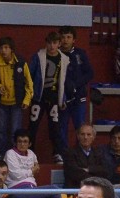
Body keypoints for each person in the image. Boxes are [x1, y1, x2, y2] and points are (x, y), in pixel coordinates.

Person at [4, 128, 66, 198]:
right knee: (54, 188)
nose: (22, 144)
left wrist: (30, 171)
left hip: (32, 190)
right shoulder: (10, 153)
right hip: (16, 191)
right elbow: (16, 175)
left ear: (30, 144)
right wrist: (31, 171)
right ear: (15, 142)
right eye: (19, 141)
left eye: (25, 142)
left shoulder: (32, 154)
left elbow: (36, 169)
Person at [29, 31, 69, 165]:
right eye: (49, 43)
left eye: (55, 43)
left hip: (54, 99)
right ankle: (29, 153)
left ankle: (57, 153)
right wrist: (29, 94)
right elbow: (29, 75)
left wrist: (63, 98)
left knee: (55, 127)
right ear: (46, 43)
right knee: (33, 126)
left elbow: (64, 80)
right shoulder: (38, 57)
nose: (52, 46)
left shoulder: (64, 59)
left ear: (59, 44)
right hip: (38, 98)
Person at [0, 36, 33, 156]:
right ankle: (1, 153)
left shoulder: (21, 63)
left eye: (6, 48)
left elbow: (29, 83)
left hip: (17, 103)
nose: (3, 51)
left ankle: (15, 154)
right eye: (1, 48)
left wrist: (27, 100)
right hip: (2, 102)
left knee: (15, 130)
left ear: (11, 49)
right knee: (1, 129)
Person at [58, 26, 94, 140]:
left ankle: (81, 150)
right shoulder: (55, 55)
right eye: (63, 37)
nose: (65, 40)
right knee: (61, 128)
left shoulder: (80, 54)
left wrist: (75, 85)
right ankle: (63, 151)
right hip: (62, 98)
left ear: (74, 40)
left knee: (81, 128)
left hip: (78, 97)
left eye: (68, 37)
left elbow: (89, 73)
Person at [62, 123, 109, 188]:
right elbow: (75, 173)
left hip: (95, 190)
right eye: (82, 134)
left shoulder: (98, 152)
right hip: (76, 190)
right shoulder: (69, 152)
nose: (85, 137)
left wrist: (89, 169)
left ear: (93, 137)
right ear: (78, 136)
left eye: (88, 134)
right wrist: (96, 179)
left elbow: (105, 170)